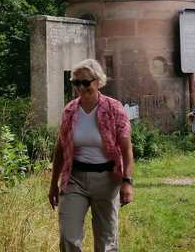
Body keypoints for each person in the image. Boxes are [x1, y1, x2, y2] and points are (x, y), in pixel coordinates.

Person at [48, 59, 134, 252]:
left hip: (106, 179)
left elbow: (127, 149)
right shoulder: (70, 110)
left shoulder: (114, 108)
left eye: (85, 82)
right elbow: (61, 148)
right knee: (68, 237)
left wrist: (127, 182)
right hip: (74, 179)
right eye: (76, 83)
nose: (81, 87)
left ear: (98, 81)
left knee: (106, 241)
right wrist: (53, 183)